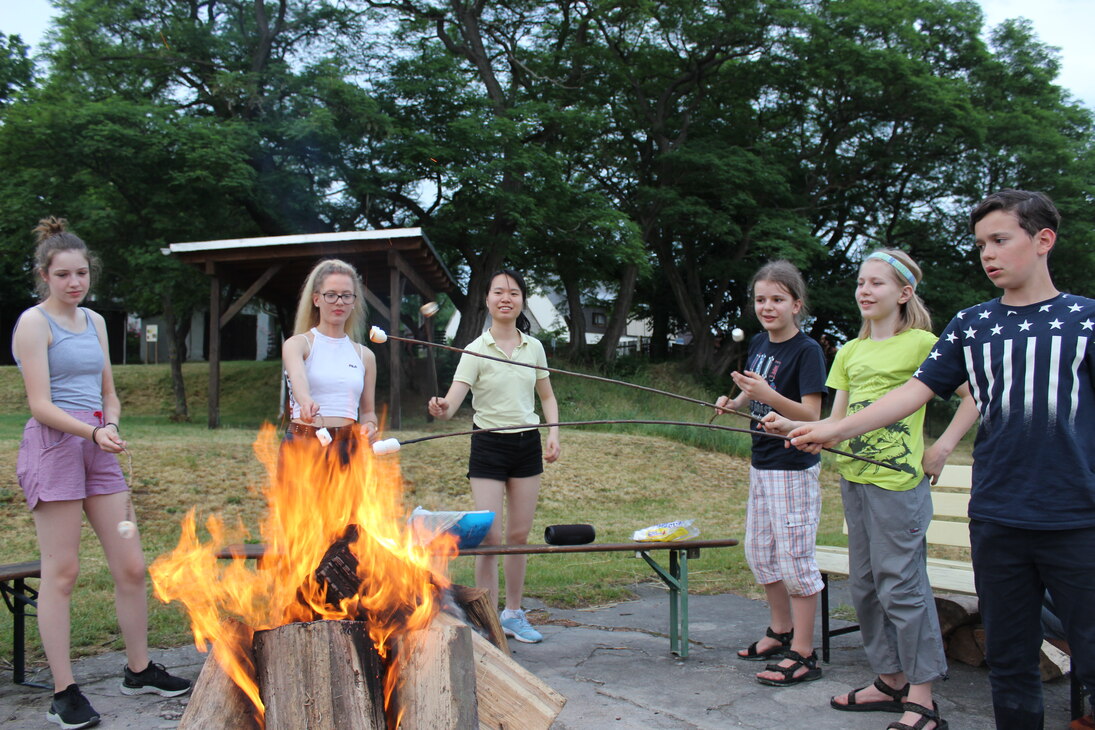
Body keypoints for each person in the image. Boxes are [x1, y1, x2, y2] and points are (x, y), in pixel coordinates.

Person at [781, 190, 1095, 730]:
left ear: (1043, 241)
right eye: (980, 244)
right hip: (996, 518)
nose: (987, 254)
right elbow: (910, 395)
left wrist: (939, 444)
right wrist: (827, 430)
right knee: (1011, 660)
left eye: (1000, 240)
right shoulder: (971, 325)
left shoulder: (1085, 319)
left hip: (1077, 520)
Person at [765, 248, 978, 730]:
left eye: (877, 283)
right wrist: (794, 428)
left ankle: (922, 698)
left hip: (899, 486)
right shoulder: (850, 351)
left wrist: (942, 448)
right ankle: (890, 680)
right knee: (865, 587)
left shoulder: (925, 342)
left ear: (904, 293)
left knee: (901, 587)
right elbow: (835, 424)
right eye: (861, 282)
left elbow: (975, 397)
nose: (865, 290)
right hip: (855, 480)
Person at [12, 217, 191, 730]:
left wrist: (108, 424)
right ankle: (63, 692)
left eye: (82, 274)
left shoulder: (94, 323)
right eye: (64, 275)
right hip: (55, 448)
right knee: (62, 572)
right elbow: (40, 404)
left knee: (132, 567)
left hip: (96, 447)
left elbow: (109, 391)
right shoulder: (33, 323)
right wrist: (91, 432)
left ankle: (138, 669)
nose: (75, 283)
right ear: (45, 275)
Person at [427, 269, 561, 643]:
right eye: (499, 292)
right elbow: (453, 401)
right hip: (487, 445)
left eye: (514, 293)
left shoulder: (533, 348)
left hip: (527, 445)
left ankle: (514, 613)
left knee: (518, 535)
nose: (506, 298)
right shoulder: (474, 349)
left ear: (522, 301)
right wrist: (441, 407)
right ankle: (487, 618)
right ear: (487, 300)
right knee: (490, 537)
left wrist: (553, 433)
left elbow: (547, 396)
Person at [713, 260, 828, 686]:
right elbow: (753, 389)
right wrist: (736, 402)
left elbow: (811, 414)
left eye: (778, 299)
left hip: (793, 467)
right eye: (761, 299)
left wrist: (768, 395)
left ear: (796, 304)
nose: (767, 306)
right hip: (761, 462)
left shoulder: (808, 350)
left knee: (795, 561)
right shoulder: (761, 341)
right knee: (760, 553)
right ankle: (780, 632)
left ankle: (804, 652)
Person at [282, 259, 378, 460]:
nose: (339, 302)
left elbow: (368, 412)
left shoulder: (365, 356)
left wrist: (370, 426)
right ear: (316, 299)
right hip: (303, 444)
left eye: (346, 296)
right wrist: (306, 401)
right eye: (331, 295)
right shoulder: (297, 344)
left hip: (347, 446)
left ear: (354, 302)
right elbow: (298, 377)